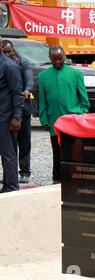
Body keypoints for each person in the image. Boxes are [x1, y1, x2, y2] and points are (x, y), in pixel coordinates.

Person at [38, 46, 90, 184]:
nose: (57, 62)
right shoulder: (43, 76)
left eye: (60, 59)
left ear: (65, 57)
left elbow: (83, 97)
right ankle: (57, 178)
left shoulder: (76, 74)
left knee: (75, 149)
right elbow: (42, 100)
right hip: (54, 119)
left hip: (74, 118)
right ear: (50, 59)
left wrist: (84, 113)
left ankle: (76, 176)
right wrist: (44, 119)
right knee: (57, 150)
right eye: (54, 59)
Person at [2, 40, 36, 184]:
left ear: (13, 50)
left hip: (22, 109)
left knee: (24, 142)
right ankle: (9, 175)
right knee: (9, 145)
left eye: (9, 51)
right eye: (5, 52)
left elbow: (29, 79)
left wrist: (27, 89)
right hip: (7, 110)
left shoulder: (21, 63)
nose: (7, 54)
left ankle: (24, 171)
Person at [0, 36, 23, 193]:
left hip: (5, 118)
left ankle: (11, 187)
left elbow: (17, 93)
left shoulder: (9, 66)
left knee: (8, 153)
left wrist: (17, 117)